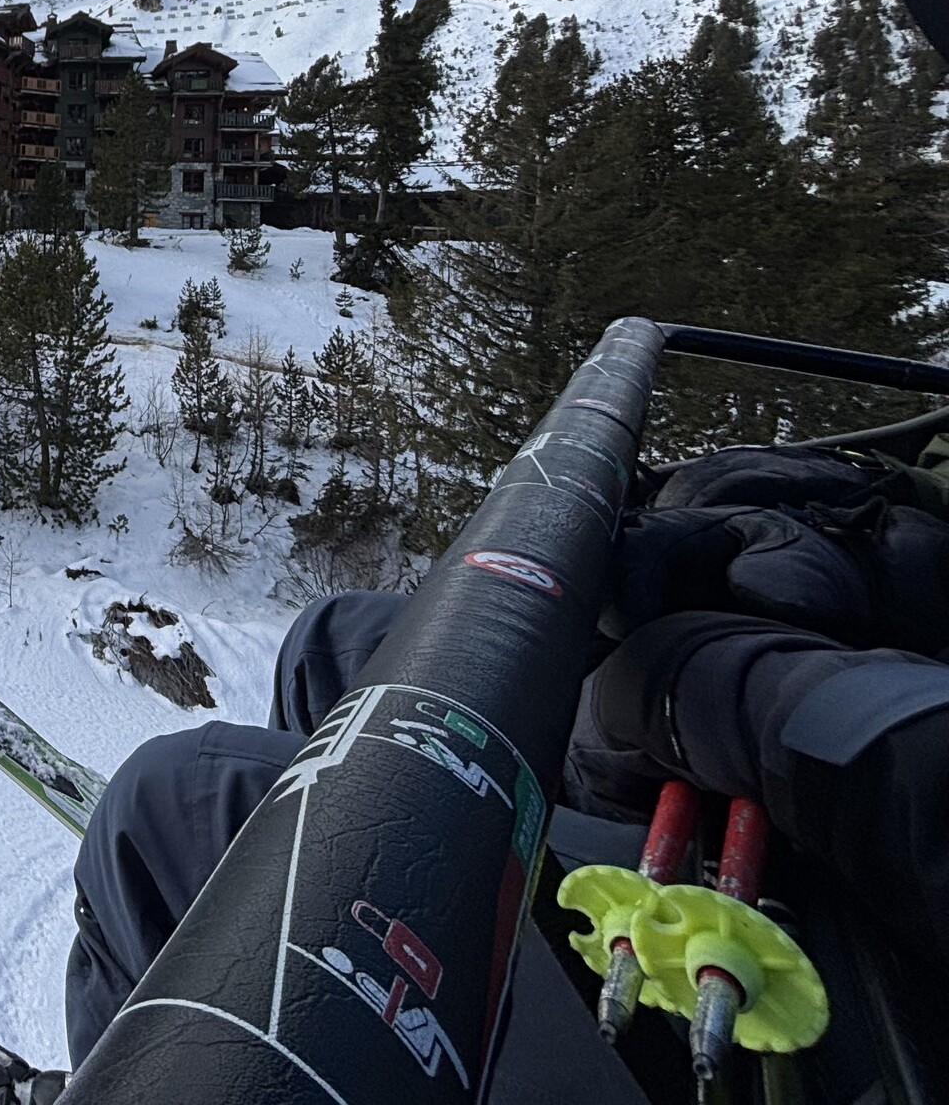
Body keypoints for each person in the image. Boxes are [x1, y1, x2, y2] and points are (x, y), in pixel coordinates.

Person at [58, 443, 949, 1085]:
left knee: (171, 806)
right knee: (333, 649)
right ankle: (268, 1014)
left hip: (839, 982)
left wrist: (713, 685)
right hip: (791, 777)